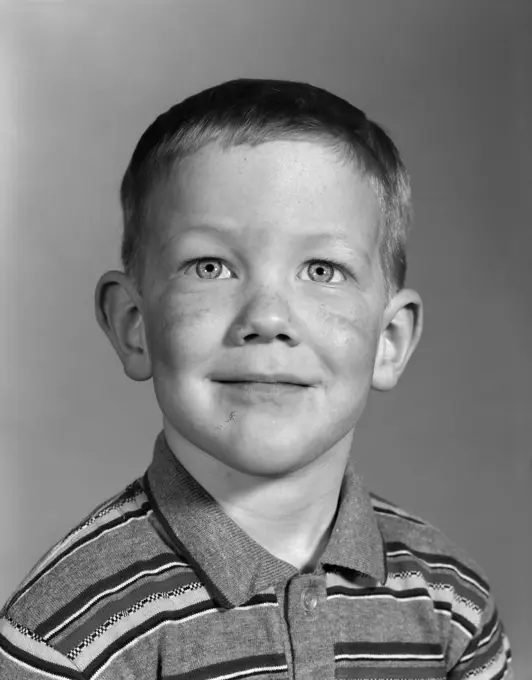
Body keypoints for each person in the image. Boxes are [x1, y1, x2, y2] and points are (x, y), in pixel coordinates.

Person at [0, 79, 513, 680]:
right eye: (210, 266)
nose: (267, 318)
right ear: (133, 323)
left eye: (322, 269)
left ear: (390, 340)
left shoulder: (454, 605)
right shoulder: (66, 634)